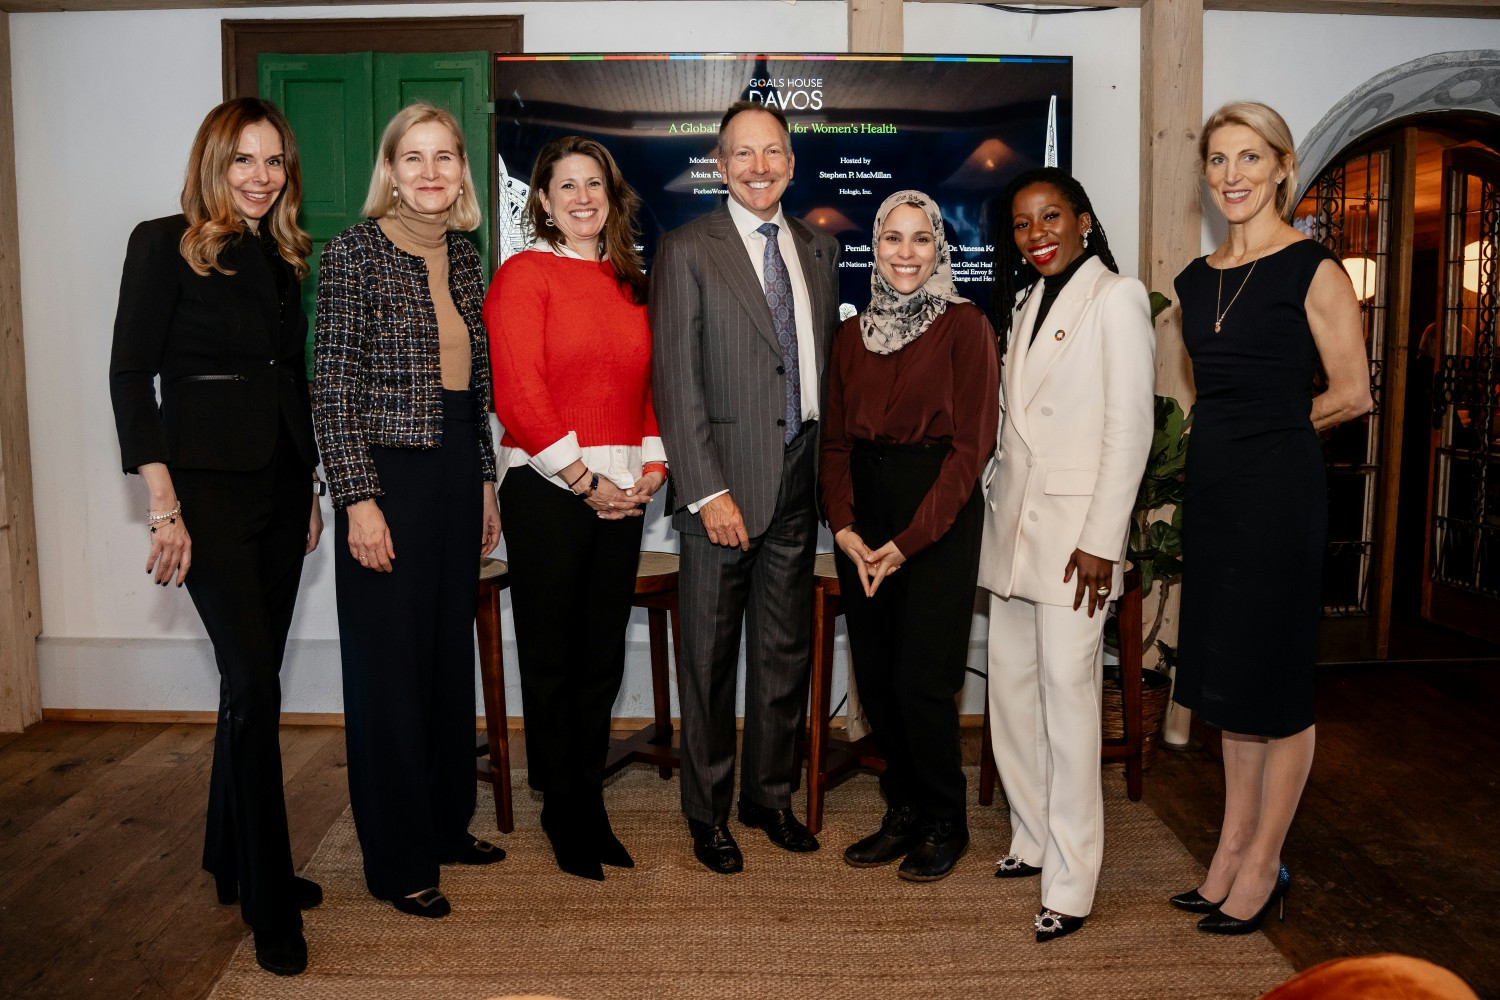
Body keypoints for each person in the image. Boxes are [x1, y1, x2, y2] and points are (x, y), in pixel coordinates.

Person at [108, 97, 323, 976]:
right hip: (205, 499)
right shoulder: (161, 242)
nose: (261, 176)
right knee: (254, 686)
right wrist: (164, 506)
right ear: (212, 163)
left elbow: (288, 380)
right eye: (243, 160)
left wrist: (308, 486)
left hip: (279, 488)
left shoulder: (280, 257)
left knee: (251, 683)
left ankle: (228, 857)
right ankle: (270, 902)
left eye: (274, 161)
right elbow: (129, 376)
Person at [1169, 101, 1370, 934]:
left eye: (1250, 159)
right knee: (1230, 684)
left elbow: (1353, 394)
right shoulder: (1192, 282)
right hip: (1214, 499)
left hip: (1281, 499)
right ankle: (1229, 850)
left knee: (1277, 686)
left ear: (1283, 167)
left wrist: (1278, 433)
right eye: (1218, 161)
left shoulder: (1312, 269)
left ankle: (1264, 863)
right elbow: (1204, 400)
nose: (1232, 177)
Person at [313, 102, 505, 920]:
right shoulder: (354, 253)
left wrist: (489, 480)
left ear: (462, 171)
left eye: (445, 158)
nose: (430, 173)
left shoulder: (466, 257)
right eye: (413, 158)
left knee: (442, 661)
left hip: (459, 469)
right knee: (390, 671)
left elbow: (480, 387)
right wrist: (358, 499)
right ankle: (397, 861)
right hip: (386, 477)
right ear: (389, 171)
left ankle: (443, 823)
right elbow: (333, 390)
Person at [650, 100, 840, 873]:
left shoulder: (819, 250)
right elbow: (675, 381)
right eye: (743, 155)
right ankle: (708, 813)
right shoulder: (687, 250)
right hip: (720, 490)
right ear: (719, 166)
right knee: (708, 660)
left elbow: (818, 369)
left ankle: (768, 798)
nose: (760, 167)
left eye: (774, 153)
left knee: (783, 653)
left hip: (798, 478)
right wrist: (705, 490)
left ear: (791, 164)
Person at [483, 136, 666, 882]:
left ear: (611, 196)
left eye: (595, 184)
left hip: (623, 493)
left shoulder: (630, 282)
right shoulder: (525, 275)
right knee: (555, 659)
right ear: (545, 199)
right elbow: (518, 393)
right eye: (568, 186)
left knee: (599, 660)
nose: (583, 197)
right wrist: (586, 481)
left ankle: (587, 801)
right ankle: (562, 808)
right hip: (550, 489)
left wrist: (653, 469)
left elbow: (644, 390)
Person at [980, 167, 1156, 941]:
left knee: (1068, 697)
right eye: (1022, 224)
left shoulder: (1116, 296)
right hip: (1013, 531)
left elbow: (1132, 428)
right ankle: (1032, 834)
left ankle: (1073, 878)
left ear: (1083, 219)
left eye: (1050, 217)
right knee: (1011, 692)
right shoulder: (1023, 301)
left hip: (1075, 540)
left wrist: (1101, 541)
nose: (1037, 234)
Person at [820, 191, 998, 882]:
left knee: (923, 682)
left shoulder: (965, 325)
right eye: (892, 238)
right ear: (875, 245)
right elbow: (834, 444)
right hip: (865, 516)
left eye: (920, 239)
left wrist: (909, 540)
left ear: (939, 247)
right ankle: (902, 810)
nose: (904, 253)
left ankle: (944, 819)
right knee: (878, 678)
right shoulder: (849, 335)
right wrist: (846, 528)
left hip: (939, 516)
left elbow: (972, 447)